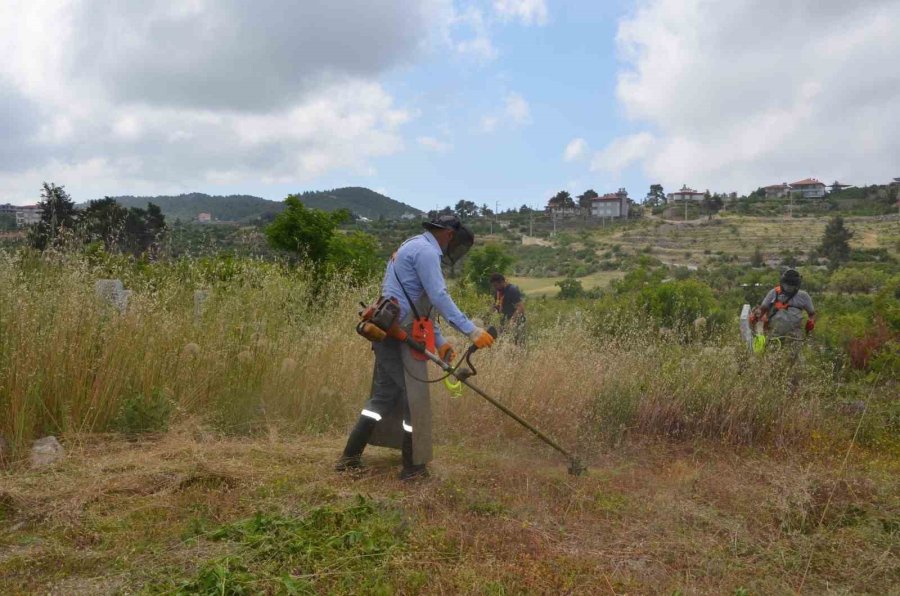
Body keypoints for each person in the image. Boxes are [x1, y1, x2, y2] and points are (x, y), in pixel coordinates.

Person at [336, 214, 495, 480]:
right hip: (399, 332)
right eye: (452, 241)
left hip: (387, 327)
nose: (451, 247)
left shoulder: (411, 246)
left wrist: (441, 342)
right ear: (449, 234)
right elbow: (438, 296)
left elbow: (421, 305)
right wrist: (471, 330)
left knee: (383, 397)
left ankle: (350, 457)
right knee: (415, 400)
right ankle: (413, 469)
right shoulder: (427, 253)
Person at [750, 268, 815, 352]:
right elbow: (762, 310)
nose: (788, 288)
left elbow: (812, 314)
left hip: (794, 337)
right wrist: (756, 320)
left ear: (797, 286)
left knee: (793, 361)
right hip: (774, 336)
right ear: (782, 282)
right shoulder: (773, 293)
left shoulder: (804, 296)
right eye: (786, 285)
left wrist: (811, 321)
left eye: (791, 286)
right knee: (772, 358)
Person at [489, 273, 525, 345]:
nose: (495, 287)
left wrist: (512, 321)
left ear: (502, 282)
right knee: (503, 344)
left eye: (495, 285)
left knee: (517, 345)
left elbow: (521, 307)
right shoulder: (498, 291)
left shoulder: (512, 290)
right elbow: (496, 305)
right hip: (504, 322)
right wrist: (489, 313)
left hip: (516, 322)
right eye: (493, 286)